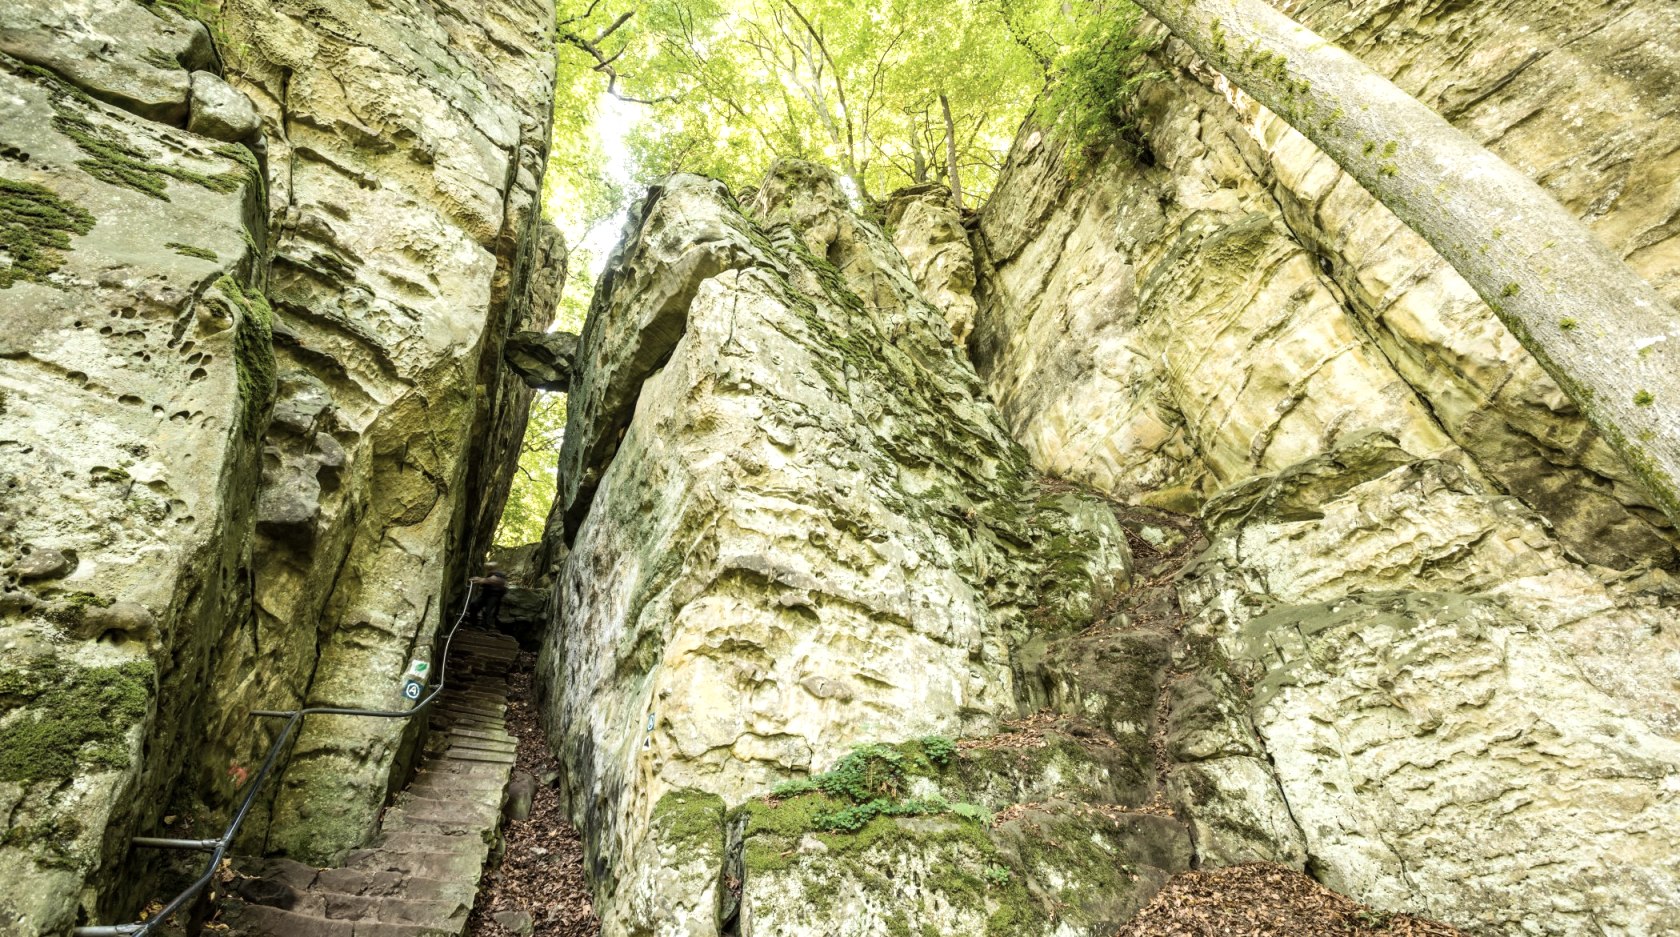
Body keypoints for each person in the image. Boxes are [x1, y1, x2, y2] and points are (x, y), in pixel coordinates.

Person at [467, 563, 509, 628]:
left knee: (488, 610)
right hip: (486, 594)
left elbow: (495, 580)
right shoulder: (489, 574)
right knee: (474, 605)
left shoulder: (500, 574)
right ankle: (473, 622)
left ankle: (485, 626)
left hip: (494, 596)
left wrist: (482, 580)